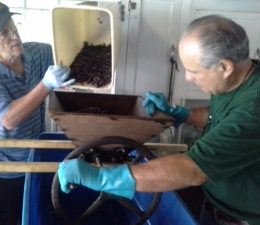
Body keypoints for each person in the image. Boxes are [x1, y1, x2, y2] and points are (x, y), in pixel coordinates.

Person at [58, 15, 260, 225]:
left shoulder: (254, 110)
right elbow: (221, 116)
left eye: (194, 71)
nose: (188, 78)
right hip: (216, 204)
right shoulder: (241, 77)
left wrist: (102, 178)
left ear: (225, 67)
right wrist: (181, 113)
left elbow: (192, 170)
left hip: (243, 218)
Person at [0, 1, 75, 225]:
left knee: (36, 218)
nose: (14, 36)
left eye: (14, 27)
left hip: (36, 160)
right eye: (4, 33)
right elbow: (9, 119)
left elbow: (70, 52)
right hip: (2, 169)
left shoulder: (35, 53)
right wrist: (46, 84)